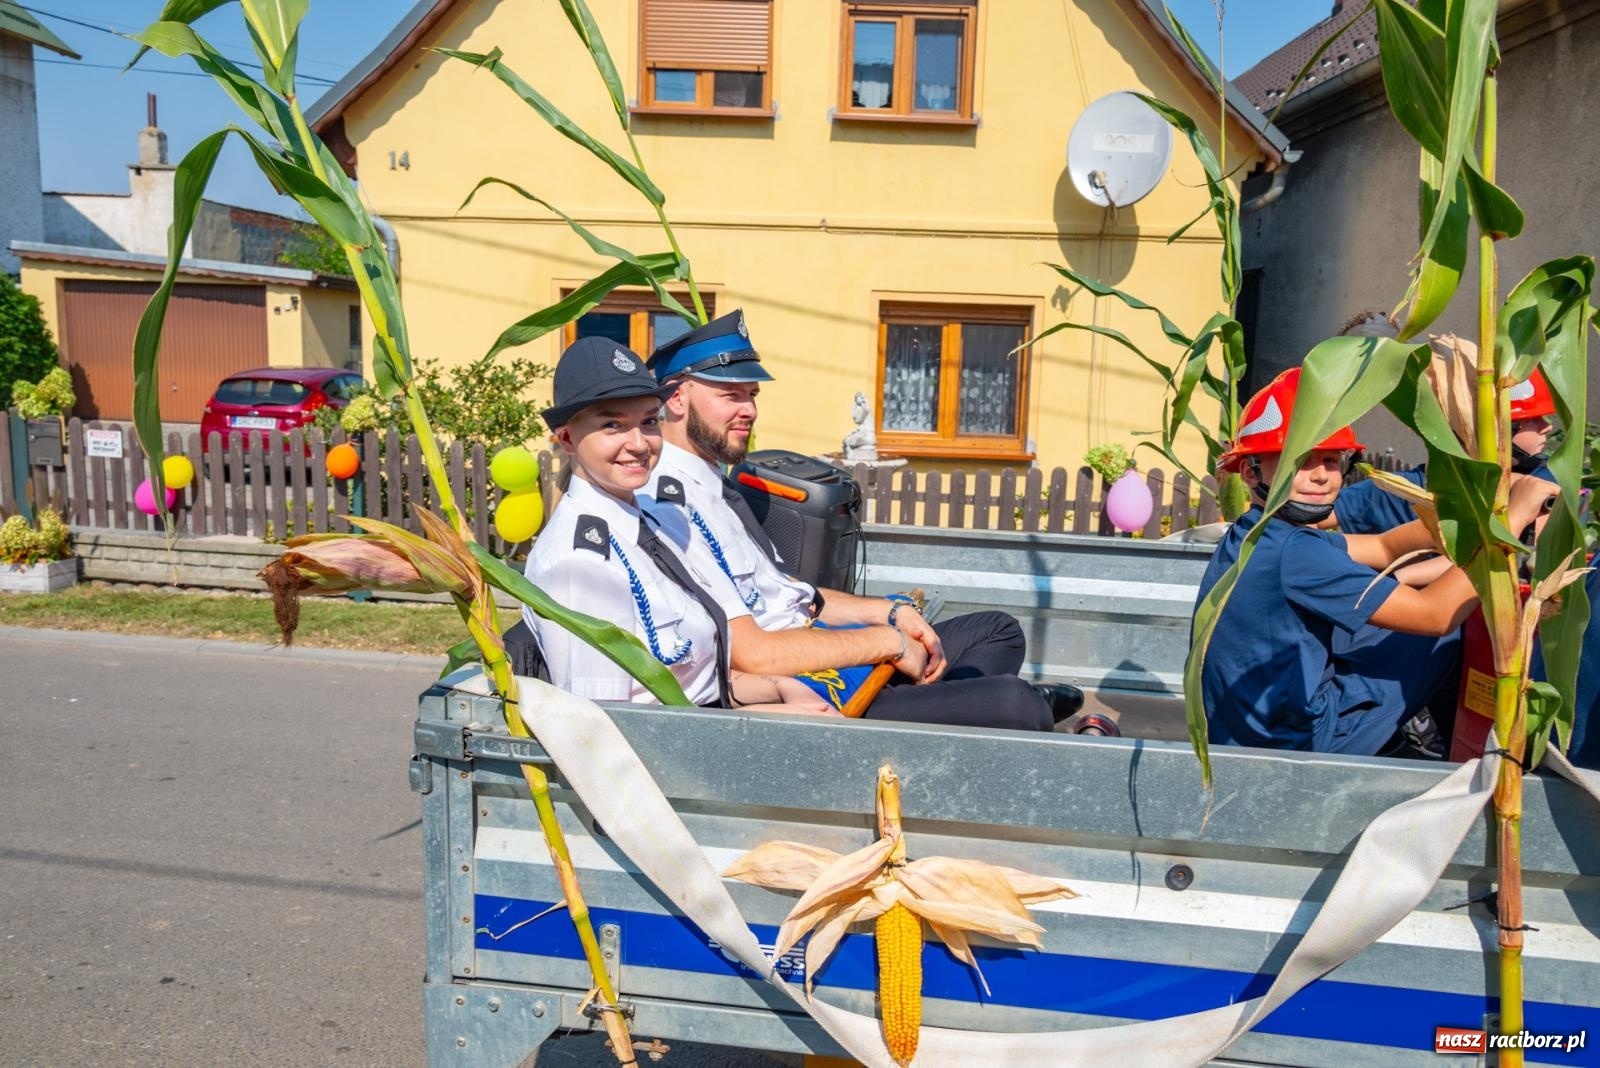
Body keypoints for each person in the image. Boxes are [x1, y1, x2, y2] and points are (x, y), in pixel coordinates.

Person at [640, 308, 1093, 734]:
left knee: (999, 631)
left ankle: (941, 709)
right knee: (1018, 705)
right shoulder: (667, 503)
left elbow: (798, 596)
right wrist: (887, 641)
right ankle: (968, 709)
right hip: (808, 689)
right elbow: (752, 652)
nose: (749, 410)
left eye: (752, 395)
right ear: (677, 398)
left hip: (829, 651)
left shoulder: (718, 488)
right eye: (731, 395)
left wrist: (891, 613)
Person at [1196, 368, 1556, 756]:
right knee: (1444, 636)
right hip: (1294, 744)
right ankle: (1430, 747)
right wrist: (1511, 521)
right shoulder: (1298, 552)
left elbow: (1385, 547)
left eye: (1332, 461)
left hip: (1241, 729)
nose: (1322, 477)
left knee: (1379, 628)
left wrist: (1469, 519)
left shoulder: (1257, 534)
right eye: (1303, 461)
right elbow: (1436, 614)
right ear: (1251, 472)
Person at [521, 336, 831, 716]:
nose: (638, 443)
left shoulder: (650, 523)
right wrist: (763, 717)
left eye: (648, 421)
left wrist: (777, 688)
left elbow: (697, 679)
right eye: (612, 426)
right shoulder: (581, 564)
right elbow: (603, 726)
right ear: (567, 439)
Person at [1335, 366, 1557, 535]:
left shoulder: (1547, 481)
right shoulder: (1402, 490)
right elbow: (1314, 521)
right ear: (1492, 428)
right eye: (1534, 420)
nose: (1548, 426)